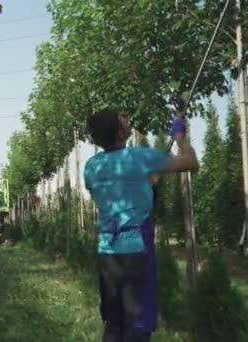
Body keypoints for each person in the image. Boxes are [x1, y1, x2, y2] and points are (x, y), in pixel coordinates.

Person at [84, 109, 198, 342]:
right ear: (119, 131)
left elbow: (116, 192)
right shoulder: (141, 157)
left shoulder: (91, 166)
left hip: (107, 251)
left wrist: (144, 185)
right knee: (137, 326)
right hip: (136, 251)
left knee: (114, 324)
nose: (127, 121)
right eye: (122, 120)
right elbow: (191, 162)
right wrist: (179, 136)